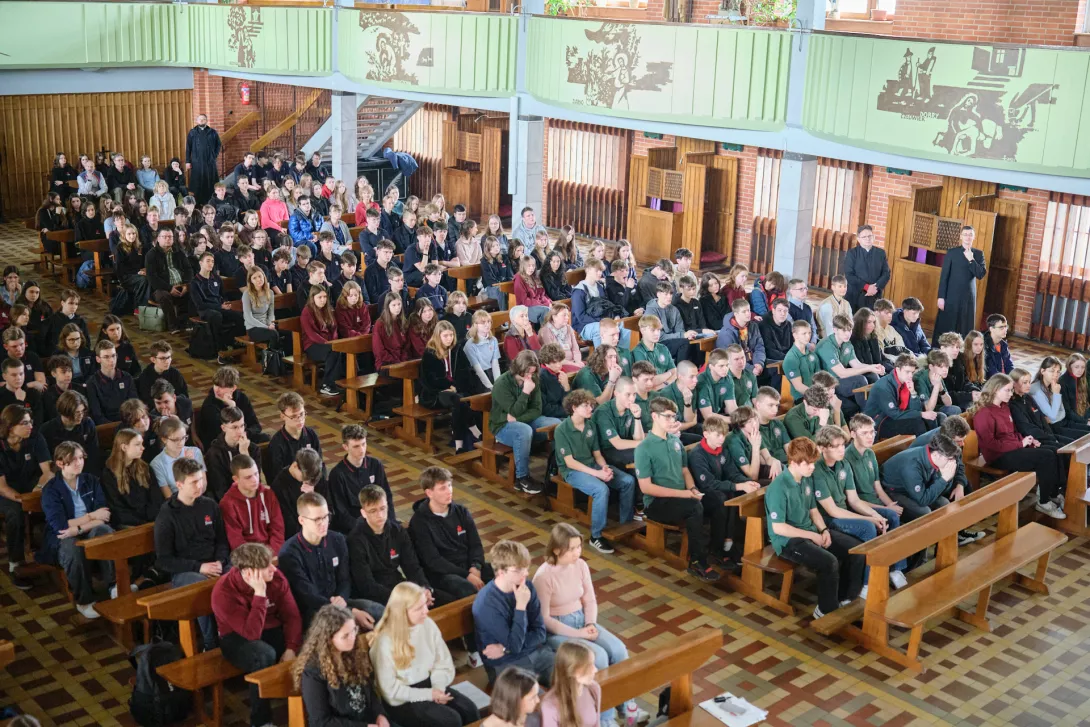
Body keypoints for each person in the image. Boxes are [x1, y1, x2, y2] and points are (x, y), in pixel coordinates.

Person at [533, 524, 647, 727]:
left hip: (582, 620)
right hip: (559, 629)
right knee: (599, 657)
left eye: (579, 547)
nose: (578, 552)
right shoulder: (543, 577)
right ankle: (605, 718)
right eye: (573, 548)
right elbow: (545, 620)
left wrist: (590, 623)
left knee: (619, 650)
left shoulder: (581, 565)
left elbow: (590, 599)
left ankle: (628, 708)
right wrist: (579, 634)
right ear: (557, 549)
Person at [765, 437, 865, 618]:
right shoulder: (778, 487)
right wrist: (812, 536)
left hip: (810, 531)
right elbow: (779, 528)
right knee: (829, 562)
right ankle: (826, 611)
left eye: (813, 463)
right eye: (808, 464)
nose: (813, 467)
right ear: (794, 462)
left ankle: (845, 599)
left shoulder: (805, 479)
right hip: (788, 541)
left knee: (855, 551)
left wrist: (823, 530)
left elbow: (813, 511)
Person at [212, 542, 301, 727]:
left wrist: (292, 647)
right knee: (263, 654)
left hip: (270, 628)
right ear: (248, 573)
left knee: (311, 638)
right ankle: (261, 721)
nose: (273, 569)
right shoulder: (224, 592)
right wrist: (260, 594)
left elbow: (292, 616)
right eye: (266, 566)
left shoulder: (276, 578)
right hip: (236, 638)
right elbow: (251, 633)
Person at [811, 426, 908, 597]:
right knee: (867, 528)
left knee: (890, 516)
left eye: (843, 445)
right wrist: (869, 520)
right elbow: (832, 511)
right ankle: (866, 582)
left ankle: (895, 568)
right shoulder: (817, 470)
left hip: (844, 510)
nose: (842, 449)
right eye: (836, 446)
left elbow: (854, 500)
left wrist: (876, 514)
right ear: (823, 448)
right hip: (827, 519)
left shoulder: (843, 464)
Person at [408, 466, 492, 661]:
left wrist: (476, 568)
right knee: (467, 590)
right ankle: (474, 648)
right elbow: (433, 561)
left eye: (450, 486)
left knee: (503, 576)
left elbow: (476, 545)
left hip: (469, 569)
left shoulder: (461, 512)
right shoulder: (419, 523)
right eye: (443, 488)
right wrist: (467, 575)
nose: (449, 491)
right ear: (429, 492)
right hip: (442, 574)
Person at [369, 581, 480, 727]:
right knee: (450, 720)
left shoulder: (427, 624)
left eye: (424, 605)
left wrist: (438, 688)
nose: (426, 612)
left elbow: (443, 662)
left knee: (469, 710)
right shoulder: (385, 641)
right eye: (418, 608)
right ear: (402, 612)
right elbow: (390, 691)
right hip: (403, 698)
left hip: (432, 683)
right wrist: (429, 695)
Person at [634, 398, 720, 582]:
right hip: (657, 504)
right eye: (668, 417)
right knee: (694, 508)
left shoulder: (674, 440)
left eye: (674, 416)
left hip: (682, 496)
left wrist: (692, 488)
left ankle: (719, 551)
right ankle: (698, 561)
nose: (673, 420)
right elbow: (646, 487)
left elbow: (684, 470)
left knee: (718, 500)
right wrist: (685, 494)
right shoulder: (643, 448)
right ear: (655, 417)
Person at [970, 374, 1066, 518]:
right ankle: (1043, 502)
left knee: (1054, 451)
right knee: (1046, 457)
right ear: (995, 390)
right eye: (1007, 390)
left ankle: (1052, 493)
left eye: (1011, 390)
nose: (1011, 394)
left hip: (1013, 448)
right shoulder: (984, 413)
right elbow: (991, 445)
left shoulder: (1004, 407)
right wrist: (1020, 444)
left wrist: (1029, 440)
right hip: (998, 456)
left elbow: (1013, 432)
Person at [554, 390, 637, 555]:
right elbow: (570, 462)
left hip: (592, 464)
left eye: (591, 405)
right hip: (572, 470)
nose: (591, 409)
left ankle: (626, 523)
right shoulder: (562, 430)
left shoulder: (590, 425)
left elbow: (597, 454)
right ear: (574, 407)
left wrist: (604, 467)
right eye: (586, 406)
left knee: (628, 481)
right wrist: (597, 474)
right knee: (601, 489)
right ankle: (596, 535)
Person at [40, 442, 115, 619]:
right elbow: (60, 526)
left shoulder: (91, 480)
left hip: (85, 528)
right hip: (62, 535)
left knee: (104, 530)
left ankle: (114, 585)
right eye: (73, 460)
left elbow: (104, 514)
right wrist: (90, 517)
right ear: (60, 464)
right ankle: (84, 600)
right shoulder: (50, 490)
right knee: (72, 548)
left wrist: (79, 527)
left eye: (81, 458)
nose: (79, 462)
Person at [472, 540, 554, 686]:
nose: (526, 574)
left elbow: (540, 632)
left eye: (526, 568)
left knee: (574, 685)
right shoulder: (486, 603)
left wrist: (505, 648)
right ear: (501, 572)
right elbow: (515, 645)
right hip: (506, 665)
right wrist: (521, 607)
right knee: (534, 705)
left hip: (536, 654)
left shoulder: (527, 586)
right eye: (519, 570)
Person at [293, 604, 391, 727]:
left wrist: (380, 714)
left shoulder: (354, 653)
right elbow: (321, 722)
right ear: (328, 639)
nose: (353, 638)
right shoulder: (313, 672)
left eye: (354, 630)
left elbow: (370, 692)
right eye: (345, 636)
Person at [490, 351, 563, 495]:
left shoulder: (534, 379)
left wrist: (518, 419)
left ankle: (554, 470)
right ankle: (522, 478)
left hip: (525, 421)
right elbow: (514, 410)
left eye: (533, 372)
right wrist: (525, 392)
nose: (530, 376)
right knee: (524, 431)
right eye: (527, 373)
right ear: (518, 369)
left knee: (556, 424)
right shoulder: (502, 384)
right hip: (502, 427)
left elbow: (537, 409)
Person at [420, 322, 477, 453]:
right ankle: (475, 431)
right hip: (435, 394)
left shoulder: (457, 350)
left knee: (459, 402)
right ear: (438, 336)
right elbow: (429, 380)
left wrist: (455, 387)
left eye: (451, 335)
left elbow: (465, 372)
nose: (449, 338)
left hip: (455, 391)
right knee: (458, 401)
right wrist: (448, 386)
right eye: (445, 336)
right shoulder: (430, 354)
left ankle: (459, 445)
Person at [327, 424, 394, 535]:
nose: (362, 450)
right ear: (345, 447)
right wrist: (365, 530)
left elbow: (387, 496)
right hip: (354, 530)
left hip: (378, 521)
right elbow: (341, 512)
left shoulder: (375, 465)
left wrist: (390, 522)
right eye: (356, 446)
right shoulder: (337, 474)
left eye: (364, 444)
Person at [101, 428, 167, 528]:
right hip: (128, 523)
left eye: (142, 443)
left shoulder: (145, 468)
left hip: (151, 519)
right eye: (137, 444)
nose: (143, 448)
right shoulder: (109, 474)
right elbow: (117, 508)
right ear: (124, 447)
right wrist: (142, 522)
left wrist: (150, 519)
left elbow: (156, 497)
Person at [932, 225, 987, 344]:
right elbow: (944, 276)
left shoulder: (978, 254)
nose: (968, 237)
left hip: (968, 297)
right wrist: (941, 297)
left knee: (965, 326)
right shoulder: (952, 253)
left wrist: (971, 260)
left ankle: (962, 352)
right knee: (947, 324)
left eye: (970, 235)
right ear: (961, 236)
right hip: (951, 295)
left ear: (974, 237)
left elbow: (980, 274)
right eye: (965, 234)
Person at [221, 453, 285, 552]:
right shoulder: (228, 503)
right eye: (248, 477)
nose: (255, 480)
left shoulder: (268, 494)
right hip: (248, 556)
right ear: (236, 479)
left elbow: (277, 528)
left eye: (256, 474)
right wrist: (257, 558)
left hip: (271, 552)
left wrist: (273, 552)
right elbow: (236, 540)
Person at [196, 365, 266, 448]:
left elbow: (256, 426)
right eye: (216, 385)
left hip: (241, 437)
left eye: (222, 387)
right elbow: (223, 432)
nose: (217, 390)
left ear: (233, 388)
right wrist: (232, 407)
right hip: (219, 444)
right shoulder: (209, 404)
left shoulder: (242, 398)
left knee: (265, 438)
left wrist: (243, 434)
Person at [145, 228, 193, 335]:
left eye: (170, 237)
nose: (168, 239)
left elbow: (188, 269)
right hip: (161, 288)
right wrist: (169, 288)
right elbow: (152, 277)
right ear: (158, 239)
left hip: (180, 284)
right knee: (164, 296)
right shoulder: (151, 255)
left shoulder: (178, 252)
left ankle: (185, 322)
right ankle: (173, 325)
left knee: (192, 290)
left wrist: (186, 284)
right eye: (165, 237)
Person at [1032, 355, 1090, 438]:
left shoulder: (1053, 385)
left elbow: (1062, 413)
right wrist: (1056, 394)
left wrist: (1053, 418)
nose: (1055, 375)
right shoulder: (1037, 389)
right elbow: (1053, 416)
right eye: (1052, 371)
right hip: (1053, 428)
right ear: (1042, 371)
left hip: (1062, 422)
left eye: (1058, 371)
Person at [844, 225, 890, 310]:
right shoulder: (852, 253)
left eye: (870, 236)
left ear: (873, 237)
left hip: (874, 294)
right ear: (858, 239)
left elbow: (886, 273)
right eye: (864, 237)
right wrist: (866, 287)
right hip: (855, 295)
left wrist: (876, 287)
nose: (867, 239)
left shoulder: (881, 253)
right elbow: (849, 275)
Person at [716, 299, 766, 376]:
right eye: (744, 311)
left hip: (754, 361)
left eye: (749, 310)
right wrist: (751, 368)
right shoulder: (726, 333)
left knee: (775, 370)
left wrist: (759, 363)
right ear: (736, 314)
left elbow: (759, 346)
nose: (748, 314)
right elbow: (730, 359)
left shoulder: (753, 326)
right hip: (737, 366)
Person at [186, 113, 221, 204]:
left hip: (210, 162)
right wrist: (187, 161)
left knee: (210, 181)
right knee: (198, 182)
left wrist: (214, 155)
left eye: (203, 119)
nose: (202, 121)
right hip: (197, 162)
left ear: (206, 121)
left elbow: (218, 144)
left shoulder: (212, 132)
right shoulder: (192, 132)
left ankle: (211, 202)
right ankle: (198, 203)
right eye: (200, 119)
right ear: (197, 121)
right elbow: (188, 147)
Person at [374, 291, 410, 370]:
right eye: (393, 305)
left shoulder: (402, 321)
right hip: (386, 363)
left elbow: (406, 346)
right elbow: (379, 350)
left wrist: (403, 359)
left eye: (399, 304)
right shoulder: (380, 324)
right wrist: (395, 361)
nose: (397, 308)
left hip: (401, 360)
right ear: (388, 306)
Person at [850, 308, 889, 376]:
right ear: (860, 323)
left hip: (877, 369)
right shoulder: (853, 340)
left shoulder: (873, 337)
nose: (873, 325)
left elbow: (882, 359)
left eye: (874, 322)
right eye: (869, 322)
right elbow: (861, 364)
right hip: (864, 373)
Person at [815, 275, 852, 340]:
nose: (843, 289)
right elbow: (829, 329)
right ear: (833, 287)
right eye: (840, 286)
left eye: (845, 286)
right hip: (828, 339)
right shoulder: (826, 305)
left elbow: (850, 323)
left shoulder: (847, 303)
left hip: (844, 337)